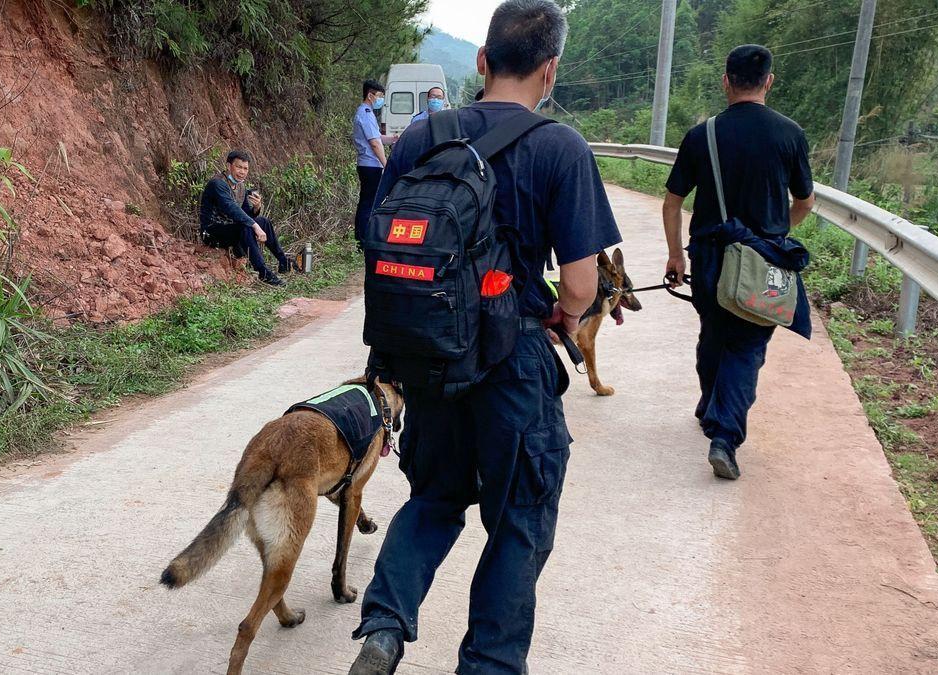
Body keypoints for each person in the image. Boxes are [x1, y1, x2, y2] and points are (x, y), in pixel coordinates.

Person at [348, 2, 620, 674]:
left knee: (435, 497)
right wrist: (560, 316)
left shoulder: (420, 136)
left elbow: (384, 243)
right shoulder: (560, 146)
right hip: (514, 363)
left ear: (481, 61)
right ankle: (489, 664)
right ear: (550, 69)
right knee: (519, 519)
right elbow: (583, 286)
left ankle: (384, 627)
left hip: (431, 358)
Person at [662, 44, 816, 480]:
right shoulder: (789, 134)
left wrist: (675, 253)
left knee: (714, 330)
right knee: (746, 346)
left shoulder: (702, 135)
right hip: (763, 261)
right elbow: (805, 201)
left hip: (709, 257)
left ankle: (711, 404)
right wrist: (774, 234)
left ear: (725, 81)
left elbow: (672, 202)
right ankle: (724, 436)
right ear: (769, 81)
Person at [199, 150, 293, 286]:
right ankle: (263, 273)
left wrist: (256, 208)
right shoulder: (217, 184)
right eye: (238, 167)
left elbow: (246, 214)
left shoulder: (240, 186)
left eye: (245, 168)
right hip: (212, 232)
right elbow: (231, 208)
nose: (242, 172)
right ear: (229, 166)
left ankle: (284, 262)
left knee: (263, 221)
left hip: (232, 229)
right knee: (248, 225)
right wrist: (255, 226)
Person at [352, 79, 393, 242]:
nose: (381, 100)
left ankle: (363, 237)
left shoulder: (367, 113)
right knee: (368, 203)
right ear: (370, 95)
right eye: (379, 96)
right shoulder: (366, 114)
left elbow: (378, 138)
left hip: (368, 165)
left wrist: (394, 138)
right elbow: (375, 143)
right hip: (370, 165)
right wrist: (386, 164)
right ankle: (363, 239)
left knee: (367, 202)